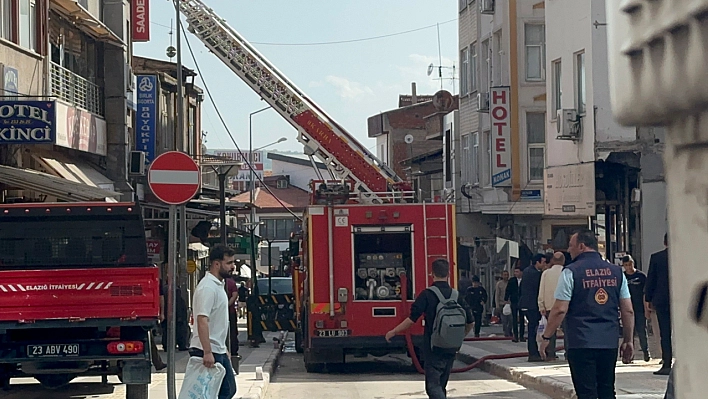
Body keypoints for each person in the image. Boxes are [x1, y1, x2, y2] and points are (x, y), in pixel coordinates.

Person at [539, 230, 635, 399]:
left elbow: (560, 309)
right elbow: (628, 310)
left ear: (581, 246)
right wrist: (628, 340)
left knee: (586, 393)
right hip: (608, 342)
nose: (569, 250)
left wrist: (546, 337)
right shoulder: (616, 272)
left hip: (580, 341)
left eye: (571, 246)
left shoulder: (571, 272)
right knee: (607, 391)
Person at [385, 259, 474, 399]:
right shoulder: (457, 296)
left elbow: (412, 319)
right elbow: (471, 321)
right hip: (451, 348)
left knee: (433, 387)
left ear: (432, 274)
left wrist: (394, 331)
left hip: (433, 347)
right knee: (441, 385)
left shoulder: (427, 295)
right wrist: (459, 337)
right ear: (449, 274)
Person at [188, 245, 237, 399]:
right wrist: (207, 351)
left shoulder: (218, 285)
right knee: (218, 391)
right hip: (207, 350)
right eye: (229, 263)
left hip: (218, 349)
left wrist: (223, 349)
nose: (233, 267)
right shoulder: (208, 287)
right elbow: (202, 319)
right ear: (217, 264)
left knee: (223, 391)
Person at [645, 233, 671, 375]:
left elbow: (651, 279)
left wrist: (648, 299)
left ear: (664, 242)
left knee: (665, 333)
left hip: (662, 300)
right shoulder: (683, 256)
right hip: (681, 300)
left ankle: (667, 364)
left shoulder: (657, 258)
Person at [622, 254, 651, 362]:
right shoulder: (623, 277)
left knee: (642, 330)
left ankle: (645, 351)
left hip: (639, 308)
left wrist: (646, 308)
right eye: (626, 265)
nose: (628, 267)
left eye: (630, 264)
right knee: (629, 333)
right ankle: (629, 355)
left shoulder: (641, 276)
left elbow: (645, 293)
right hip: (627, 307)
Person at [520, 253, 548, 362]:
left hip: (526, 304)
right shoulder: (535, 274)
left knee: (532, 329)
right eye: (543, 262)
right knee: (532, 330)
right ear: (538, 262)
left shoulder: (527, 271)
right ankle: (533, 353)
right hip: (532, 305)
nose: (544, 264)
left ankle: (533, 352)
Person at [538, 252, 565, 361]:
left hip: (550, 306)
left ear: (552, 261)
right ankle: (569, 354)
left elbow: (541, 290)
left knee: (551, 331)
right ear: (563, 261)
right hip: (565, 306)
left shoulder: (546, 273)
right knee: (568, 331)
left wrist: (541, 306)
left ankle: (550, 354)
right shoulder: (567, 272)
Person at [504, 266, 524, 342]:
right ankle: (515, 335)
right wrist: (506, 299)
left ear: (521, 272)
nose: (516, 273)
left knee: (522, 319)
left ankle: (521, 336)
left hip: (522, 301)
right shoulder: (512, 280)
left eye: (517, 272)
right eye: (515, 272)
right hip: (514, 301)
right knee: (514, 318)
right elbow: (508, 290)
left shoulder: (524, 280)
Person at [495, 270, 512, 337]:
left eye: (507, 275)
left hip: (510, 303)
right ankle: (506, 332)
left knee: (511, 319)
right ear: (502, 275)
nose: (506, 276)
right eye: (504, 275)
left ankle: (510, 330)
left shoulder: (510, 283)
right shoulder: (499, 284)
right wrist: (497, 305)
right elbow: (497, 295)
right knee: (504, 320)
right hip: (502, 303)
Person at [226, 276, 240, 357]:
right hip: (230, 312)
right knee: (233, 331)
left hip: (221, 312)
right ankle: (233, 349)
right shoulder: (231, 282)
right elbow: (234, 295)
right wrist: (228, 304)